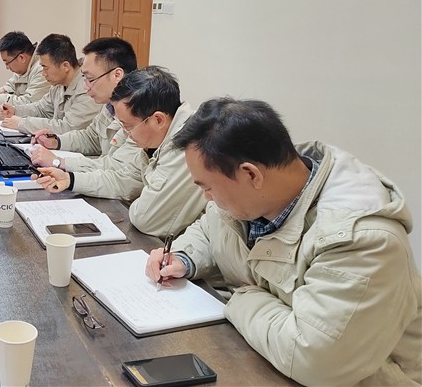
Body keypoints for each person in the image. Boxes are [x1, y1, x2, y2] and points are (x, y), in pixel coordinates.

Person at [145, 98, 422, 385]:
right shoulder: (261, 190)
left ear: (251, 174)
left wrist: (241, 297)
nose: (207, 198)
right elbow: (210, 228)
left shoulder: (362, 239)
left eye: (208, 187)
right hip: (260, 358)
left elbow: (314, 359)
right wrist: (184, 257)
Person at [35, 66, 204, 237]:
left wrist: (138, 196)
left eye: (128, 126)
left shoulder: (187, 147)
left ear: (158, 120)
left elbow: (145, 219)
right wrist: (70, 179)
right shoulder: (155, 137)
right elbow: (124, 179)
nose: (125, 133)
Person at [28, 36, 142, 172]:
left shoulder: (140, 113)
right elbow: (91, 138)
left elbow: (117, 168)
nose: (86, 86)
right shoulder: (109, 106)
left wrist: (58, 162)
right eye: (84, 78)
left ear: (117, 75)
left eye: (90, 79)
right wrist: (57, 141)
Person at [0, 34, 101, 135]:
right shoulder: (59, 84)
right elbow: (41, 109)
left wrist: (23, 123)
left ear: (65, 66)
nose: (43, 73)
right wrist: (15, 111)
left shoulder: (87, 88)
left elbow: (68, 127)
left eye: (45, 68)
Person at [0, 31, 50, 109]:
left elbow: (29, 103)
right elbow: (10, 86)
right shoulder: (24, 67)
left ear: (21, 58)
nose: (7, 67)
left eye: (7, 63)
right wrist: (0, 92)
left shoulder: (42, 69)